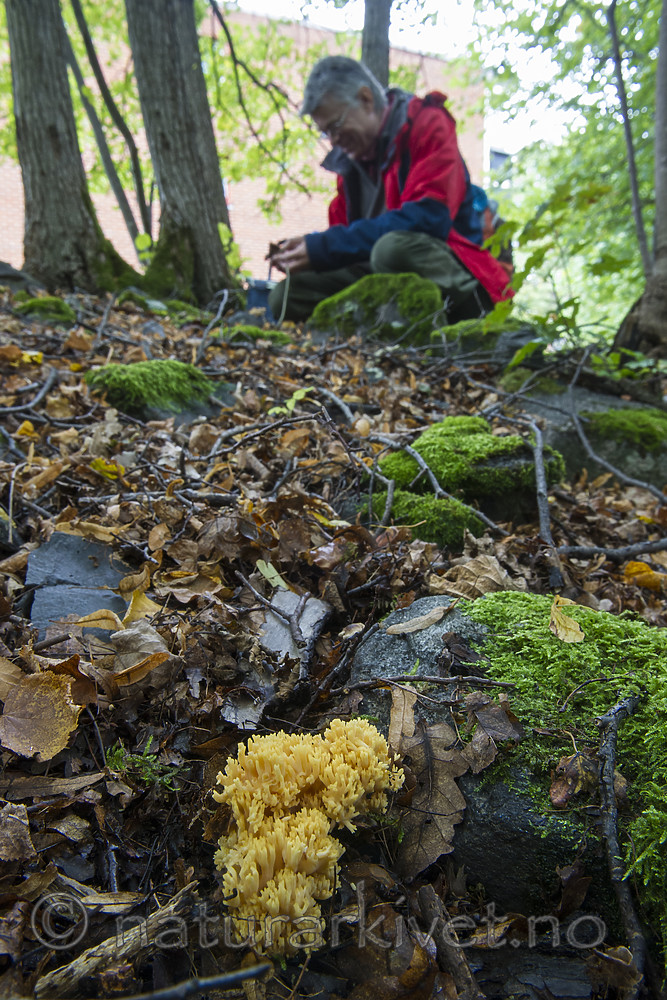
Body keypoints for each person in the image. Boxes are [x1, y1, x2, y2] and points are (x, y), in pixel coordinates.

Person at [268, 56, 514, 324]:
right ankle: (366, 335)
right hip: (381, 274)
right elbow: (345, 245)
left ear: (365, 99)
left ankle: (468, 323)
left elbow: (429, 219)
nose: (334, 141)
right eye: (326, 133)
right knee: (287, 294)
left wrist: (323, 247)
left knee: (391, 250)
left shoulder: (426, 123)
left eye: (336, 126)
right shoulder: (349, 165)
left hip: (457, 269)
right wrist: (308, 254)